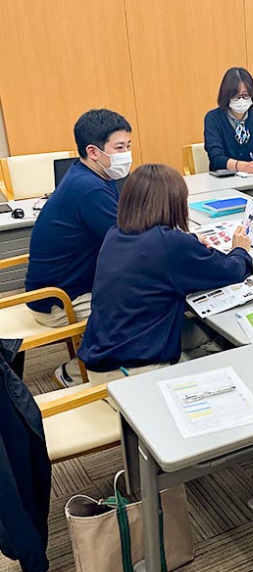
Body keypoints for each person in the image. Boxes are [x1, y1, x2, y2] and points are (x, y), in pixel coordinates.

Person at [77, 164, 253, 385]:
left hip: (105, 354)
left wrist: (189, 243)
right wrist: (240, 249)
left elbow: (162, 257)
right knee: (231, 342)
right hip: (130, 374)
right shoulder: (169, 244)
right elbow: (232, 270)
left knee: (206, 330)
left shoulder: (116, 232)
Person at [25, 108, 133, 387]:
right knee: (143, 308)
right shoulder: (90, 189)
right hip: (59, 300)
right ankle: (73, 373)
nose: (127, 154)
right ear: (93, 152)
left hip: (67, 284)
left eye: (128, 146)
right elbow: (130, 242)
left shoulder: (87, 175)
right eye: (119, 148)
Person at [204, 67, 253, 174]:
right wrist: (242, 166)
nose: (241, 100)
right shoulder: (213, 118)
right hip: (225, 178)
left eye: (246, 95)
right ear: (226, 96)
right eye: (236, 96)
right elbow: (216, 158)